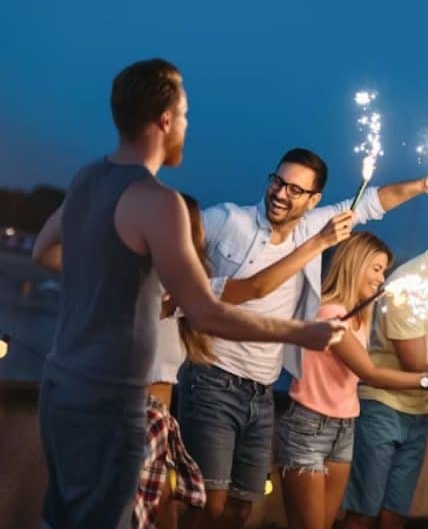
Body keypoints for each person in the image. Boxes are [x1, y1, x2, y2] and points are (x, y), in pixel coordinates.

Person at [31, 59, 341, 529]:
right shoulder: (159, 202)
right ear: (165, 121)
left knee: (63, 519)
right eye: (187, 114)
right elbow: (207, 313)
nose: (188, 126)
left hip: (60, 386)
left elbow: (44, 251)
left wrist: (118, 273)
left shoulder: (88, 178)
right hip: (111, 399)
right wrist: (303, 332)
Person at [180, 148, 428, 528]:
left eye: (295, 190)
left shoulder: (314, 225)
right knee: (206, 504)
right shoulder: (228, 219)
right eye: (278, 182)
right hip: (212, 375)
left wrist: (423, 185)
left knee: (241, 508)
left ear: (313, 201)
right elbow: (182, 248)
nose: (281, 193)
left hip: (261, 390)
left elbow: (375, 201)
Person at [131, 193, 353, 529]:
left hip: (158, 425)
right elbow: (250, 294)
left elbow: (244, 294)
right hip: (133, 420)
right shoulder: (160, 286)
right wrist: (298, 332)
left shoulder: (186, 286)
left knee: (180, 514)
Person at [275, 232, 428, 529]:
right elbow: (370, 373)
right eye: (376, 269)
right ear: (355, 265)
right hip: (309, 427)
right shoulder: (329, 313)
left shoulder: (361, 317)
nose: (382, 278)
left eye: (384, 270)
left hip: (345, 426)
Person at [341, 201, 428, 529]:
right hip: (382, 405)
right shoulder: (409, 282)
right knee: (363, 512)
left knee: (395, 517)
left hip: (421, 410)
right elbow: (414, 363)